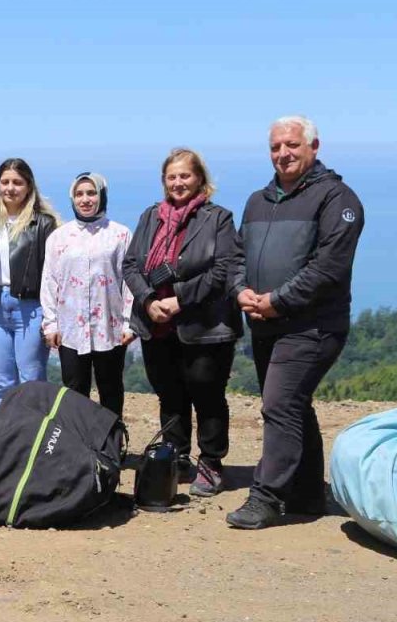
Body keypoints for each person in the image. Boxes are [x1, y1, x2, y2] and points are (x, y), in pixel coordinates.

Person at [226, 116, 364, 530]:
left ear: (313, 146)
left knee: (280, 404)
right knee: (294, 406)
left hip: (313, 326)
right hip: (265, 322)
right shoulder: (257, 200)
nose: (282, 153)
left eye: (291, 145)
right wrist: (240, 291)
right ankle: (306, 494)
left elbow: (328, 268)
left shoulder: (338, 199)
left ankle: (265, 498)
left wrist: (278, 301)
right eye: (275, 147)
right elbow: (236, 255)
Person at [123, 148, 242, 497]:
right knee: (169, 395)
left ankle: (211, 462)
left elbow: (222, 270)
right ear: (164, 181)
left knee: (207, 395)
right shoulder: (150, 217)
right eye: (172, 177)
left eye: (185, 176)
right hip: (156, 324)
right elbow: (131, 264)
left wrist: (179, 299)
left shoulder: (218, 218)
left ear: (200, 179)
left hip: (204, 327)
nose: (178, 183)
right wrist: (148, 300)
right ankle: (176, 456)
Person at [40, 173, 134, 416]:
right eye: (79, 194)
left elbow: (130, 283)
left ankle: (111, 446)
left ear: (102, 196)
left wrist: (129, 323)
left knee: (111, 389)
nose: (85, 199)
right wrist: (50, 324)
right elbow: (50, 282)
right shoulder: (59, 237)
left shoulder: (120, 235)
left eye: (91, 193)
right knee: (73, 391)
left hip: (110, 328)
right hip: (70, 330)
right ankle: (77, 446)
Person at [0, 158, 60, 408]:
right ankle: (5, 436)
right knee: (2, 381)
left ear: (29, 186)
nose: (10, 188)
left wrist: (52, 316)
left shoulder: (43, 223)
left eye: (17, 183)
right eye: (5, 182)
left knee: (32, 379)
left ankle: (33, 437)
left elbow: (52, 273)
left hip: (31, 307)